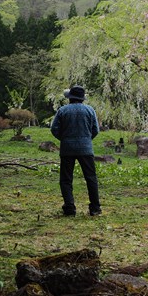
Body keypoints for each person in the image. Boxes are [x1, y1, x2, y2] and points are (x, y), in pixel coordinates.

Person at [50, 85, 101, 216]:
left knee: (66, 179)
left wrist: (64, 138)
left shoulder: (62, 110)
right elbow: (96, 129)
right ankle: (95, 208)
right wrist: (87, 139)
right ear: (82, 98)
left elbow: (54, 129)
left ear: (70, 98)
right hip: (86, 148)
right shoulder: (90, 110)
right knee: (91, 178)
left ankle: (69, 208)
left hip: (67, 148)